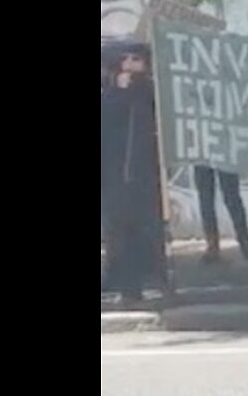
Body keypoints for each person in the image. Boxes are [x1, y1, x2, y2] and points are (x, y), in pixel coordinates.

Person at [101, 44, 167, 303]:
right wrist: (120, 92)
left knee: (148, 230)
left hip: (146, 175)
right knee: (119, 231)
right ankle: (126, 284)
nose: (130, 64)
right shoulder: (109, 96)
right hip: (114, 175)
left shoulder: (151, 94)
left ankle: (155, 278)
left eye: (135, 59)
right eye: (124, 59)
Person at [193, 165, 248, 264]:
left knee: (211, 197)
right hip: (218, 154)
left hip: (208, 155)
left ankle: (214, 245)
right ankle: (244, 242)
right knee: (228, 196)